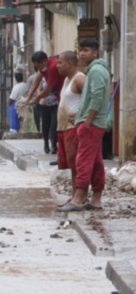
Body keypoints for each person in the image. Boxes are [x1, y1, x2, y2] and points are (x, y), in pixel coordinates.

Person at [60, 38, 113, 212]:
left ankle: (77, 199)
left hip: (91, 124)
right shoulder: (96, 70)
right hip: (92, 123)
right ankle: (96, 199)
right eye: (81, 50)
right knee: (96, 162)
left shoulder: (96, 71)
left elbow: (97, 97)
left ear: (96, 53)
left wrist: (88, 120)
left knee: (83, 161)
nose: (82, 54)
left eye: (87, 50)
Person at [53, 52, 85, 201]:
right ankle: (74, 195)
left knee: (78, 164)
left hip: (74, 128)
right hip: (65, 128)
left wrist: (81, 116)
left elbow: (92, 98)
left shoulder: (79, 78)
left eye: (60, 63)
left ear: (70, 64)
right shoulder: (67, 79)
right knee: (72, 165)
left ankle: (80, 196)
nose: (57, 66)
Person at [26, 51, 61, 154]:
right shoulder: (44, 68)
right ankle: (46, 143)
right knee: (45, 125)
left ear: (45, 61)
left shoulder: (53, 67)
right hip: (45, 103)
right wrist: (29, 97)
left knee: (54, 125)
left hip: (57, 100)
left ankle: (54, 145)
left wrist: (37, 98)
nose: (39, 69)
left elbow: (49, 89)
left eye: (40, 66)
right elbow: (36, 81)